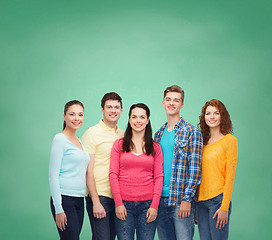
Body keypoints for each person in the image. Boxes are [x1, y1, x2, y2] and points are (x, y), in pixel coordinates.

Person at [154, 85, 203, 240]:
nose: (171, 103)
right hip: (160, 201)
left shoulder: (191, 132)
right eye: (168, 99)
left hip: (180, 200)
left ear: (182, 104)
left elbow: (195, 169)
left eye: (176, 100)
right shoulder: (158, 134)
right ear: (163, 103)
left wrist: (187, 199)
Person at [110, 103, 164, 240]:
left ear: (147, 120)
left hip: (147, 205)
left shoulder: (155, 147)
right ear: (129, 120)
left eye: (142, 117)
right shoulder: (119, 145)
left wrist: (154, 206)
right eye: (134, 117)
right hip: (124, 205)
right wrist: (118, 203)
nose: (138, 121)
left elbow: (159, 177)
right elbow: (113, 175)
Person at [81, 92, 124, 240]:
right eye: (109, 107)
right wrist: (96, 202)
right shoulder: (91, 133)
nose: (113, 110)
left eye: (116, 107)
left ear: (121, 110)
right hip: (100, 195)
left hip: (118, 197)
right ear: (102, 109)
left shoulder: (124, 135)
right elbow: (88, 170)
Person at [196, 99, 238, 240]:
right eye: (208, 113)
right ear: (204, 117)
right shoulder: (202, 142)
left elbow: (230, 176)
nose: (212, 117)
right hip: (200, 202)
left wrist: (224, 207)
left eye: (216, 113)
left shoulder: (230, 141)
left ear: (222, 116)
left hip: (218, 201)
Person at [49, 100, 90, 240]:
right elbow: (53, 176)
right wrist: (58, 208)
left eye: (80, 115)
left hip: (79, 199)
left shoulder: (79, 141)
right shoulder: (60, 139)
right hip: (64, 199)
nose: (77, 118)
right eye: (72, 114)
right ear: (64, 116)